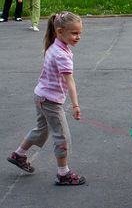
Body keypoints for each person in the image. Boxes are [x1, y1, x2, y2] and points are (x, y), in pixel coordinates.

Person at [7, 11, 86, 186]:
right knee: (62, 137)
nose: (78, 37)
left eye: (79, 33)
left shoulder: (54, 45)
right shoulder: (62, 54)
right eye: (74, 33)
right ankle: (63, 174)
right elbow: (70, 81)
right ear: (59, 31)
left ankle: (19, 154)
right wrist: (75, 105)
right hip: (50, 101)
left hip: (41, 95)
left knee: (41, 129)